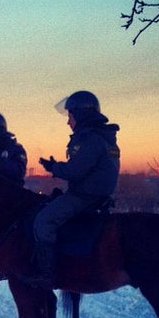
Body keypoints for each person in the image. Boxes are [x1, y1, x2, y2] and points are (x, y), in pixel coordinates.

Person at [29, 90, 120, 289]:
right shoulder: (101, 137)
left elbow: (75, 171)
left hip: (84, 196)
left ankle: (47, 275)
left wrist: (54, 168)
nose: (68, 121)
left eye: (70, 115)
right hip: (95, 194)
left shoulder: (92, 139)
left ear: (80, 114)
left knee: (43, 221)